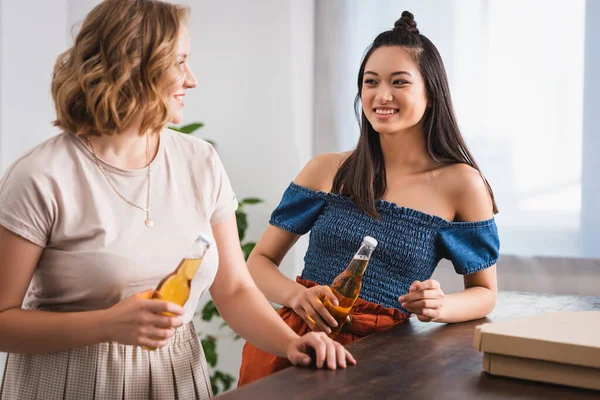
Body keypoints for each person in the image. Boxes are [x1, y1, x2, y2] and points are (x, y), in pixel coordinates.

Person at [0, 1, 354, 399]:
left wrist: (290, 342)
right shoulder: (40, 176)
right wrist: (106, 325)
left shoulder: (199, 161)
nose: (192, 79)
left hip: (176, 378)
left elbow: (234, 289)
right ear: (132, 67)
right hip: (70, 382)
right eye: (179, 62)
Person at [238, 10, 500, 385]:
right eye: (370, 82)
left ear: (431, 91)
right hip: (297, 343)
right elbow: (258, 262)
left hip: (386, 358)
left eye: (399, 82)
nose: (381, 95)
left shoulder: (462, 184)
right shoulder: (326, 169)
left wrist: (440, 305)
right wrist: (296, 296)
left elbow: (484, 294)